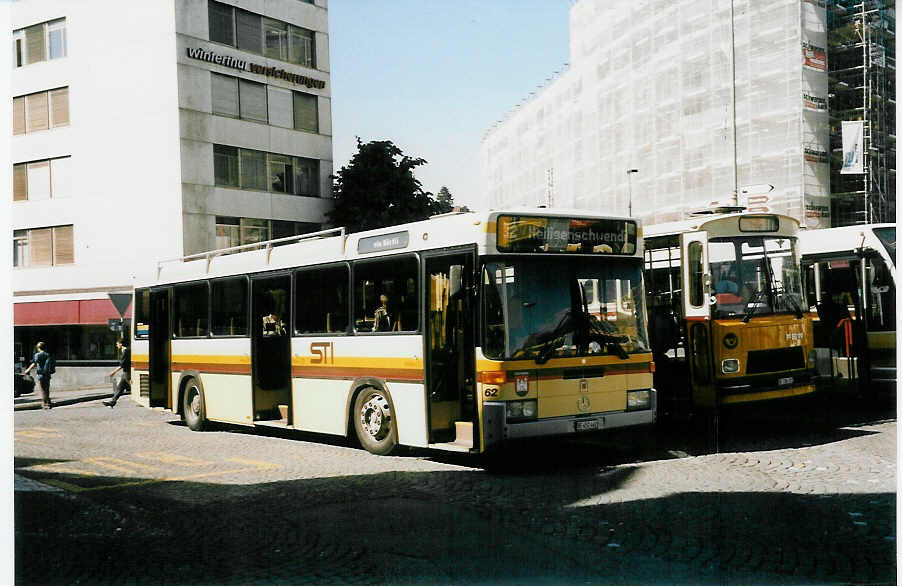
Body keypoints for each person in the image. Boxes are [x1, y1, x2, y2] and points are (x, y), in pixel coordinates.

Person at [22, 341, 53, 409]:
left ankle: (45, 404)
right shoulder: (48, 354)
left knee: (42, 389)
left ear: (38, 348)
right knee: (47, 389)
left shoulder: (37, 355)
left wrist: (27, 370)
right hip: (47, 374)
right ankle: (48, 401)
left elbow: (34, 364)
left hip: (40, 374)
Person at [103, 339, 131, 408]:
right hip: (125, 373)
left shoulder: (126, 351)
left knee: (133, 387)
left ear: (121, 344)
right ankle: (112, 402)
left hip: (127, 373)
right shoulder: (127, 350)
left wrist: (113, 372)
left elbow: (122, 365)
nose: (116, 345)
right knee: (119, 388)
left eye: (117, 344)